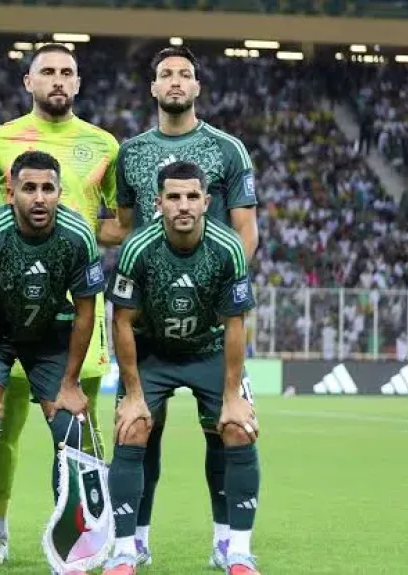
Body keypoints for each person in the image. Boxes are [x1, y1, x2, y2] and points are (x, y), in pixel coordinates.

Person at [113, 46, 259, 569]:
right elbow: (123, 227)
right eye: (166, 74)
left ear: (197, 86)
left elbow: (246, 232)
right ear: (153, 87)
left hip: (210, 326)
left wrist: (213, 291)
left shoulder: (228, 149)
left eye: (185, 74)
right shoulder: (130, 153)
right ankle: (134, 541)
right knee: (139, 431)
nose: (175, 81)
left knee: (227, 431)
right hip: (148, 331)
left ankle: (228, 543)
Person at [0, 43, 123, 565]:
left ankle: (84, 531)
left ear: (78, 82)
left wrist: (77, 235)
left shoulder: (103, 144)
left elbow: (119, 223)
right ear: (29, 82)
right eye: (47, 71)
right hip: (9, 310)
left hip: (78, 308)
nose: (58, 79)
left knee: (80, 424)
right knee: (2, 427)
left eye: (67, 72)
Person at [0, 150, 104, 575]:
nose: (39, 198)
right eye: (29, 188)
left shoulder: (77, 235)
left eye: (48, 188)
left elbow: (86, 311)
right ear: (11, 191)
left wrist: (70, 382)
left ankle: (69, 545)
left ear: (59, 192)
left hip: (50, 335)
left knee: (70, 431)